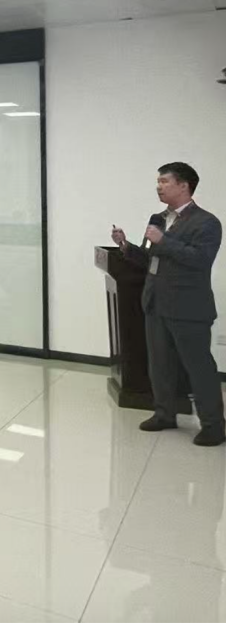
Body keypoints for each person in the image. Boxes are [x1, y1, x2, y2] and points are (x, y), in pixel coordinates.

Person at [112, 162, 223, 445]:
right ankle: (164, 414)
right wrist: (126, 247)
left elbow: (200, 260)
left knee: (199, 368)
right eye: (158, 181)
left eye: (164, 181)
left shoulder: (207, 222)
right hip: (156, 304)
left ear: (184, 185)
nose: (158, 186)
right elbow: (151, 259)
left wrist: (164, 241)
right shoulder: (159, 218)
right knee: (159, 365)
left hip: (188, 308)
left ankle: (213, 425)